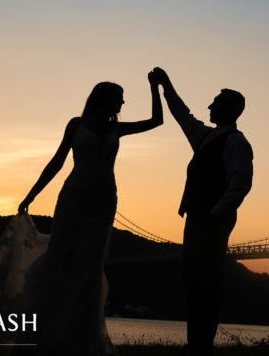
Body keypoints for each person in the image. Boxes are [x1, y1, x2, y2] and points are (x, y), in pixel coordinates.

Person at [16, 73, 164, 355]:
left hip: (103, 202)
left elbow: (157, 121)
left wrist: (154, 88)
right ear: (103, 98)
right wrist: (31, 195)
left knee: (90, 267)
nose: (122, 101)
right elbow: (57, 161)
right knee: (60, 259)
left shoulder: (116, 130)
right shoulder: (76, 125)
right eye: (118, 96)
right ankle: (46, 333)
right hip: (73, 198)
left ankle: (80, 338)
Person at [152, 67, 253, 356]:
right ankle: (196, 342)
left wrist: (214, 214)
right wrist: (166, 85)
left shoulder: (236, 142)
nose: (209, 106)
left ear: (230, 109)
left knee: (206, 281)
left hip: (211, 220)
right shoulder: (206, 137)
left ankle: (201, 344)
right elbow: (182, 114)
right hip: (198, 217)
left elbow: (240, 184)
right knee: (193, 280)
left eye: (215, 102)